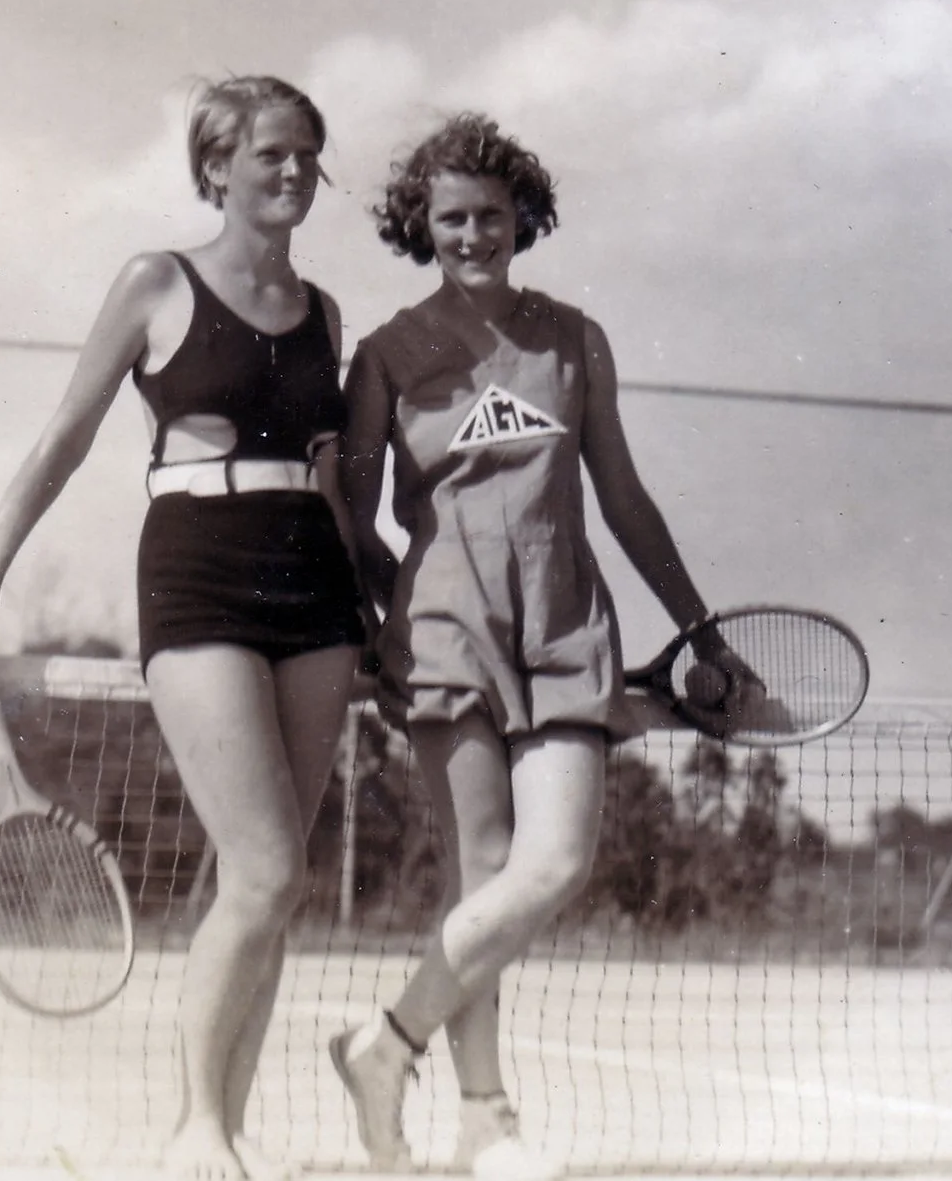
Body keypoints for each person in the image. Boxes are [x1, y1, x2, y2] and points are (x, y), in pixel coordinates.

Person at [0, 76, 365, 1181]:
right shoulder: (154, 282)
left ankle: (231, 1130)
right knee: (265, 873)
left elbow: (336, 482)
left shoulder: (325, 313)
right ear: (215, 166)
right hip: (197, 575)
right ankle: (193, 1131)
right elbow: (65, 436)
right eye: (271, 152)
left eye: (308, 154)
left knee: (273, 882)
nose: (293, 171)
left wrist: (383, 607)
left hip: (313, 584)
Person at [330, 113, 758, 1181]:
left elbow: (619, 494)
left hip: (568, 621)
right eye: (449, 219)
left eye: (490, 215)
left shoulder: (573, 337)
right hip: (445, 628)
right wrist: (386, 624)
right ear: (418, 227)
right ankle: (484, 1120)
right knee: (479, 869)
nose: (472, 234)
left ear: (523, 216)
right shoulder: (383, 355)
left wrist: (699, 628)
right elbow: (347, 517)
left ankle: (382, 1046)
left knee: (552, 862)